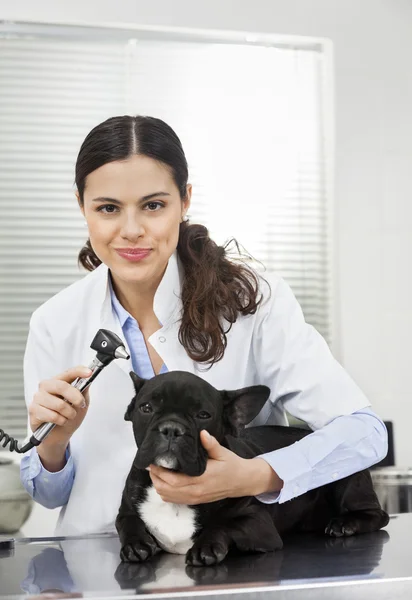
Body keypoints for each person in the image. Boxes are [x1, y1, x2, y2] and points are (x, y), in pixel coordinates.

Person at [20, 115, 387, 536]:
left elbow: (364, 434)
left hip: (227, 562)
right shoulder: (54, 321)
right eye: (107, 208)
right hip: (103, 562)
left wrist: (256, 475)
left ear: (185, 200)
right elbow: (47, 493)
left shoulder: (253, 301)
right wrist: (53, 442)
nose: (132, 230)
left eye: (154, 205)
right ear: (81, 206)